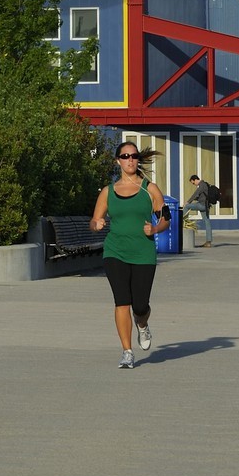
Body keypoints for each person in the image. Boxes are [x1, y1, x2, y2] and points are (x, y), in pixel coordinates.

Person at [89, 140, 169, 369]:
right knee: (121, 301)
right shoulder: (108, 192)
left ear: (138, 159)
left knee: (140, 306)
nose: (130, 160)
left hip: (143, 253)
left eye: (133, 156)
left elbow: (166, 219)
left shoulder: (149, 188)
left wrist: (154, 229)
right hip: (115, 251)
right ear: (118, 161)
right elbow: (93, 221)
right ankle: (126, 352)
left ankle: (142, 325)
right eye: (125, 156)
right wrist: (97, 223)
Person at [185, 173, 218, 246]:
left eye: (193, 183)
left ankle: (184, 222)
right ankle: (208, 242)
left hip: (202, 205)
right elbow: (201, 196)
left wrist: (188, 202)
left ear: (195, 179)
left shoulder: (201, 185)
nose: (194, 184)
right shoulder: (205, 184)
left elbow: (196, 194)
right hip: (206, 206)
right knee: (207, 222)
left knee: (187, 207)